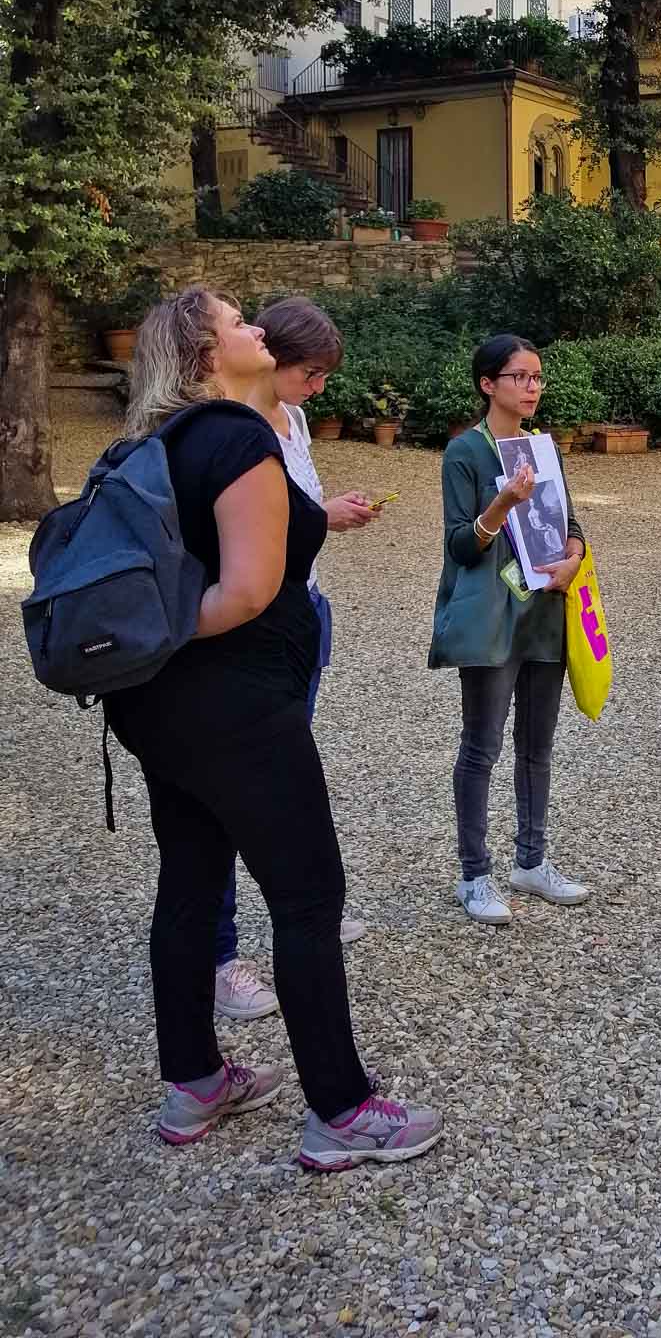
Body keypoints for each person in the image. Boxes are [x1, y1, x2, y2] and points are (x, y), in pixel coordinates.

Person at [103, 287, 441, 1167]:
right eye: (235, 322)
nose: (256, 327)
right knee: (308, 898)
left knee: (188, 885)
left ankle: (194, 1084)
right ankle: (342, 1110)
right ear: (206, 354)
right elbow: (249, 591)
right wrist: (166, 631)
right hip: (238, 706)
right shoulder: (238, 438)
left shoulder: (153, 441)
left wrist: (147, 646)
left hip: (156, 707)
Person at [210, 297, 378, 1024]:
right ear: (269, 356)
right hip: (249, 627)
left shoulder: (294, 420)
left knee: (288, 780)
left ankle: (301, 912)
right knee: (227, 794)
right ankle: (220, 955)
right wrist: (320, 516)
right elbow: (251, 530)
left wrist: (327, 510)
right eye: (310, 374)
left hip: (302, 611)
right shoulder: (226, 428)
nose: (318, 387)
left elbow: (296, 511)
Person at [431, 334, 591, 926]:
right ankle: (473, 875)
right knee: (482, 746)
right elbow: (459, 545)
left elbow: (571, 524)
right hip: (492, 616)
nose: (532, 387)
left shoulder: (543, 447)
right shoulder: (465, 453)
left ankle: (532, 861)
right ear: (487, 384)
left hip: (544, 610)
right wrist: (501, 503)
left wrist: (573, 558)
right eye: (520, 377)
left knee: (537, 747)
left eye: (537, 377)